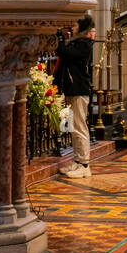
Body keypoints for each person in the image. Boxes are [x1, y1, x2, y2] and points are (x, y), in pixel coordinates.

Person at [55, 14, 95, 180]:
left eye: (75, 25)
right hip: (71, 90)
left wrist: (59, 38)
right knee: (71, 127)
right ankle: (77, 161)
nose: (72, 27)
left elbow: (64, 52)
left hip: (79, 90)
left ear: (82, 27)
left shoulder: (84, 44)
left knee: (79, 127)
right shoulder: (77, 43)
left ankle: (85, 165)